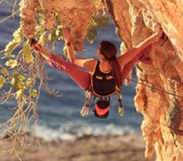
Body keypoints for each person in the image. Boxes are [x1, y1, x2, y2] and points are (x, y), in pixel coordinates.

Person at [29, 28, 166, 117]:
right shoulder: (115, 62)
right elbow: (138, 48)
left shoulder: (110, 63)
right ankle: (40, 50)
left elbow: (72, 60)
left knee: (66, 67)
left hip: (112, 85)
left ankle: (161, 41)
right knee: (66, 68)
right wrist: (67, 39)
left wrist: (155, 36)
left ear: (101, 55)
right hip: (93, 87)